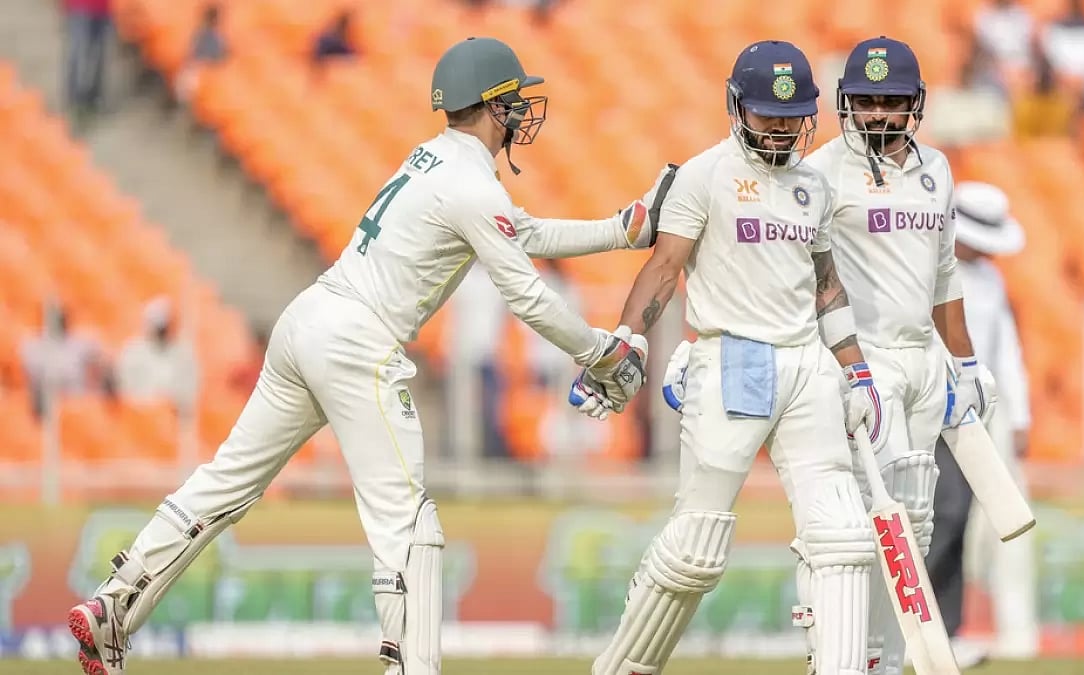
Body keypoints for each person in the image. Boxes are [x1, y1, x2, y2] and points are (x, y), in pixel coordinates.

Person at [66, 36, 668, 675]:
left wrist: (620, 229)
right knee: (409, 522)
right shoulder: (470, 184)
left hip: (309, 320)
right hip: (357, 341)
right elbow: (528, 297)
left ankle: (113, 607)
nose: (521, 113)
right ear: (491, 106)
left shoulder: (434, 161)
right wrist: (601, 350)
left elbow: (519, 231)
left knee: (225, 481)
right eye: (514, 101)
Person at [650, 36, 997, 674]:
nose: (878, 115)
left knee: (911, 525)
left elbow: (943, 276)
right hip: (853, 363)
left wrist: (965, 363)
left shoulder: (938, 170)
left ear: (915, 104)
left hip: (918, 358)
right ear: (842, 106)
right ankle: (842, 655)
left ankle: (888, 660)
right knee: (856, 531)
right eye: (865, 102)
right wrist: (700, 346)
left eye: (891, 102)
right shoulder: (820, 169)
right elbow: (759, 256)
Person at [574, 40, 886, 675]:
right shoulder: (704, 175)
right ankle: (624, 667)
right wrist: (629, 338)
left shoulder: (814, 187)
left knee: (844, 538)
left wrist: (856, 368)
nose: (780, 127)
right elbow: (663, 267)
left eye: (792, 114)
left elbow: (826, 285)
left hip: (806, 366)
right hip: (732, 360)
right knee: (697, 548)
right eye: (767, 114)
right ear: (736, 107)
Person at [924, 182, 1037, 666]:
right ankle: (921, 629)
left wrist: (1020, 412)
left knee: (962, 518)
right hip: (934, 409)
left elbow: (1006, 349)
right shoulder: (928, 271)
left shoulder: (990, 281)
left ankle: (948, 630)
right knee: (939, 519)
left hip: (979, 412)